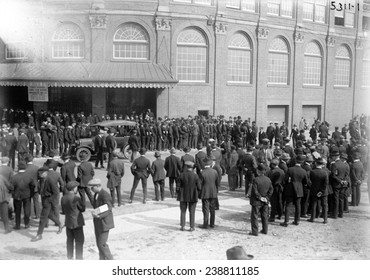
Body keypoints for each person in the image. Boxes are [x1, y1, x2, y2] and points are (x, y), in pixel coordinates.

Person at [32, 160, 65, 242]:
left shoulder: (50, 180)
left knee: (43, 216)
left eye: (41, 174)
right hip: (45, 198)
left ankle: (39, 234)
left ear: (45, 173)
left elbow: (56, 192)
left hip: (48, 199)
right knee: (49, 214)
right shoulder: (44, 178)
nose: (39, 175)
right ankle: (60, 224)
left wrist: (50, 200)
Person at [87, 178, 114, 260]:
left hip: (104, 223)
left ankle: (110, 259)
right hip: (98, 222)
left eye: (92, 187)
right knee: (99, 244)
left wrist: (99, 216)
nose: (91, 189)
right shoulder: (96, 194)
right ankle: (101, 259)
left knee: (102, 243)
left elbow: (109, 209)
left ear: (98, 186)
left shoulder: (105, 195)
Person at [280, 154, 308, 227]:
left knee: (288, 205)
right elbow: (306, 182)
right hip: (299, 189)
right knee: (298, 206)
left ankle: (286, 221)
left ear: (296, 160)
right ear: (302, 162)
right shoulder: (304, 171)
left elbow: (285, 179)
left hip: (290, 189)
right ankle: (297, 220)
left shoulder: (290, 169)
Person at [61, 181, 85, 260]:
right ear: (74, 188)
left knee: (69, 241)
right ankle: (79, 258)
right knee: (79, 241)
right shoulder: (76, 198)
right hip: (77, 223)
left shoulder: (63, 198)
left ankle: (69, 257)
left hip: (68, 222)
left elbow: (63, 211)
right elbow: (82, 208)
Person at [249, 164, 273, 236]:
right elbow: (271, 190)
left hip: (256, 201)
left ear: (258, 171)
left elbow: (255, 191)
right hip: (265, 201)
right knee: (265, 216)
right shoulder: (268, 180)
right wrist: (266, 198)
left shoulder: (256, 180)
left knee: (255, 216)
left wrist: (260, 197)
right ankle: (265, 230)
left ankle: (255, 231)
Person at [176, 161, 201, 231]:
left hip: (183, 195)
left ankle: (183, 226)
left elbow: (178, 186)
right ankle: (192, 226)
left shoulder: (182, 175)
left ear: (186, 167)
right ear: (192, 167)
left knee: (183, 211)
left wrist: (178, 192)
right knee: (192, 211)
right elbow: (199, 187)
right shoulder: (196, 175)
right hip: (193, 195)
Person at [11, 162, 35, 230]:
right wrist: (31, 194)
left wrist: (13, 194)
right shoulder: (29, 176)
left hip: (17, 195)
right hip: (27, 195)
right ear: (25, 168)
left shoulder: (14, 177)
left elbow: (12, 187)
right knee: (27, 209)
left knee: (17, 211)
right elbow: (32, 186)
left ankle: (17, 225)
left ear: (18, 168)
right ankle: (26, 224)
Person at [198, 157, 219, 229]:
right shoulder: (215, 171)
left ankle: (205, 224)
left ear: (204, 164)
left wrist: (199, 193)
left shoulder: (202, 172)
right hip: (213, 192)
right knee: (212, 209)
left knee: (205, 209)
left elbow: (199, 184)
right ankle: (212, 223)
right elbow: (217, 183)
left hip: (205, 193)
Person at [308, 158, 329, 224]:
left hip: (314, 190)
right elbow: (326, 183)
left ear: (316, 163)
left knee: (314, 204)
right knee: (324, 205)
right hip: (323, 191)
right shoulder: (325, 172)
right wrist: (321, 191)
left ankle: (312, 218)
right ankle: (325, 219)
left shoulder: (312, 172)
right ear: (322, 164)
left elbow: (309, 181)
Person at [330, 149, 350, 219]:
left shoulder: (334, 164)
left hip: (336, 184)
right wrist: (343, 181)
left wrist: (339, 181)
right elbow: (347, 174)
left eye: (332, 156)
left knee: (336, 199)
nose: (332, 157)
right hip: (343, 184)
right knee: (341, 199)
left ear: (335, 156)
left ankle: (335, 214)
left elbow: (333, 175)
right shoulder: (345, 164)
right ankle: (341, 214)